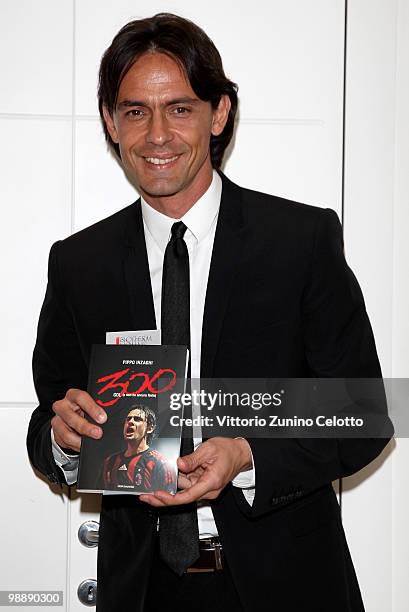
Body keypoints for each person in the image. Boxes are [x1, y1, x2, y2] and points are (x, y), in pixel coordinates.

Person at [27, 12, 390, 612]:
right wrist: (63, 440)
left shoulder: (301, 241)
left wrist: (249, 453)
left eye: (180, 108)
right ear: (110, 123)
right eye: (136, 110)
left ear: (218, 114)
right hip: (141, 591)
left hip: (287, 586)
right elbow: (48, 423)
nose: (157, 135)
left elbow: (364, 412)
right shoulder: (77, 264)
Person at [102, 405, 176, 493]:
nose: (130, 422)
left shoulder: (160, 463)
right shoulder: (110, 462)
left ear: (150, 428)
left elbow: (169, 498)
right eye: (128, 419)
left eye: (137, 419)